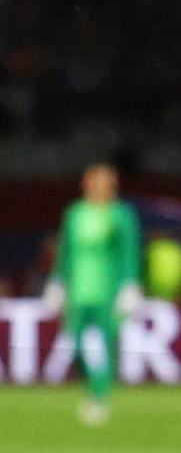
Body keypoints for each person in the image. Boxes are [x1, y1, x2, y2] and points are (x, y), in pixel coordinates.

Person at [42, 162, 142, 426]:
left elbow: (129, 251)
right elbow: (65, 251)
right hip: (78, 290)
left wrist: (131, 284)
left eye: (106, 181)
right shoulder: (75, 213)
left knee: (107, 344)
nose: (100, 186)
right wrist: (57, 281)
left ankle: (100, 396)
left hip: (108, 291)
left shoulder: (122, 215)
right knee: (74, 342)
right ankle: (91, 385)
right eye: (96, 181)